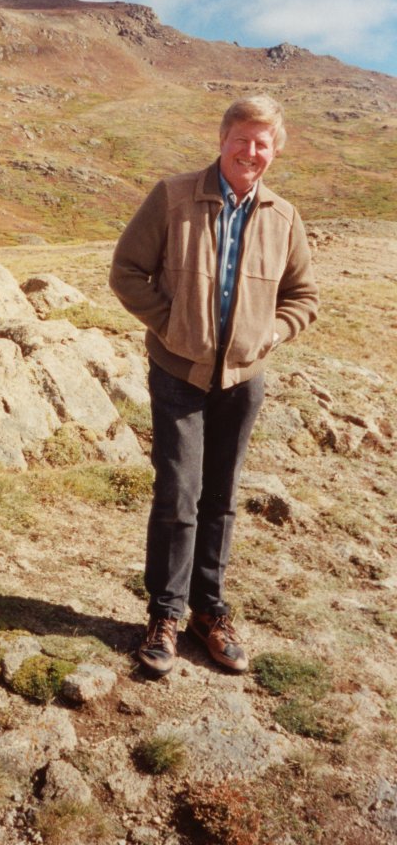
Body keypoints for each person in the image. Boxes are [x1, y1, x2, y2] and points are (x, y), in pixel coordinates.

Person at [109, 95, 318, 677]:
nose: (251, 151)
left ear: (275, 151)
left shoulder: (284, 217)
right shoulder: (173, 196)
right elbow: (126, 271)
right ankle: (165, 615)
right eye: (241, 138)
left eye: (262, 143)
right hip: (178, 372)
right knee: (178, 494)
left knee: (221, 497)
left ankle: (210, 612)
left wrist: (270, 334)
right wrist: (172, 326)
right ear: (223, 139)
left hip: (243, 380)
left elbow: (303, 297)